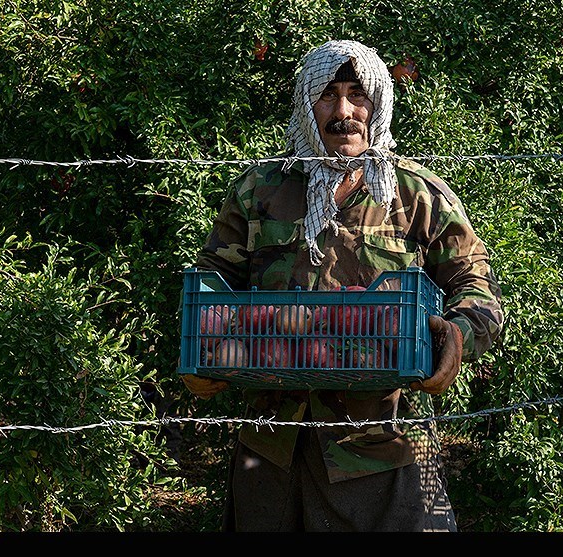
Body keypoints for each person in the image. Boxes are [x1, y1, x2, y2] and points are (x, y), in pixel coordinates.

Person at [181, 39, 504, 532]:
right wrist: (204, 347)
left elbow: (477, 288)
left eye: (358, 95)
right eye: (328, 95)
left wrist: (455, 337)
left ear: (379, 104)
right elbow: (213, 281)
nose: (344, 111)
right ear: (306, 104)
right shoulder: (260, 189)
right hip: (272, 449)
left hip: (387, 448)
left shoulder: (415, 192)